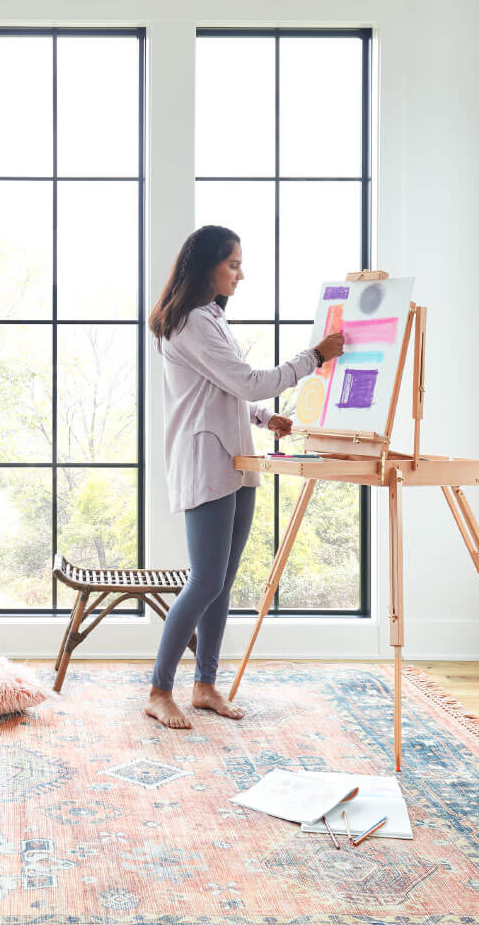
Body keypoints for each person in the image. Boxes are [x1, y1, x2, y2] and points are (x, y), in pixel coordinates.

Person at [144, 225, 344, 729]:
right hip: (208, 461)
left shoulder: (210, 318)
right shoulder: (190, 323)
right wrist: (315, 356)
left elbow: (222, 392)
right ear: (206, 265)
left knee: (222, 583)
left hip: (235, 457)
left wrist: (261, 418)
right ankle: (159, 689)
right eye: (232, 263)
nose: (240, 272)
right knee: (205, 580)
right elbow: (248, 380)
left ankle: (206, 685)